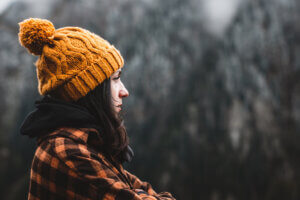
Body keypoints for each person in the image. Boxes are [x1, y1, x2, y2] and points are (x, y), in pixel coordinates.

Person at [18, 18, 175, 200]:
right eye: (115, 79)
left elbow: (138, 188)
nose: (125, 91)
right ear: (89, 90)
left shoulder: (88, 144)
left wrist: (138, 192)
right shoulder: (67, 153)